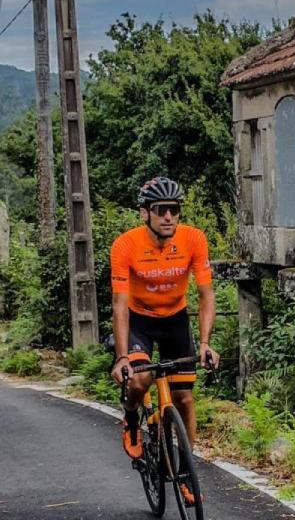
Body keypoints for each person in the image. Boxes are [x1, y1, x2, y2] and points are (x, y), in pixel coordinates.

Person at [109, 176, 220, 503]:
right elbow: (119, 305)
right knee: (140, 379)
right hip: (139, 321)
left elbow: (206, 295)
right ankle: (132, 417)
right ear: (145, 213)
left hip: (175, 319)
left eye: (174, 209)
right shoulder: (126, 245)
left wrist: (205, 343)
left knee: (185, 399)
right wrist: (122, 357)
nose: (169, 216)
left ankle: (186, 473)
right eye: (161, 210)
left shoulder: (193, 239)